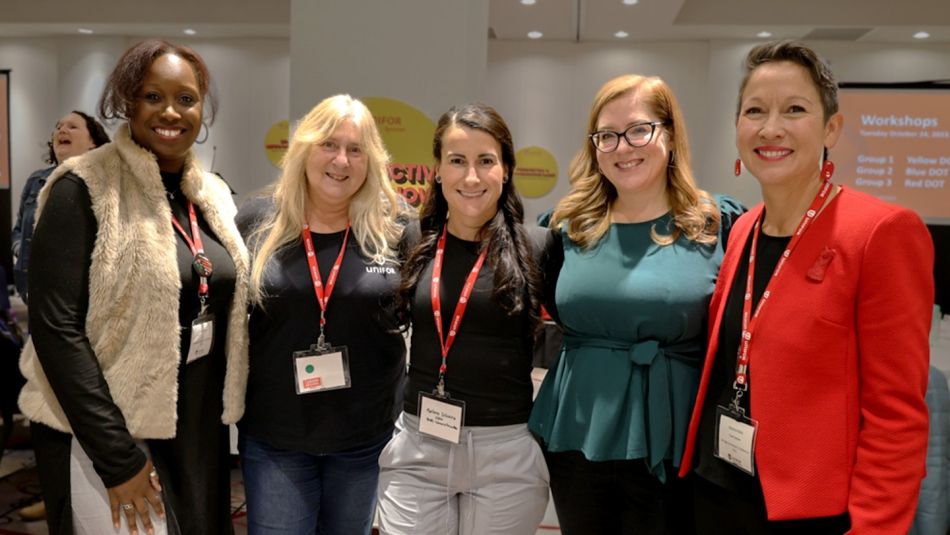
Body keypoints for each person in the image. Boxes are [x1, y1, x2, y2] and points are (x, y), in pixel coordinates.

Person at [678, 40, 934, 534]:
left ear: (831, 128)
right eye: (755, 110)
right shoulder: (743, 230)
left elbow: (896, 415)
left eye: (794, 109)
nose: (770, 127)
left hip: (808, 513)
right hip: (715, 494)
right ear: (737, 129)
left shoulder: (880, 232)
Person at [17, 39, 249, 535]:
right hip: (106, 435)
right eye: (152, 96)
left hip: (196, 432)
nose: (171, 111)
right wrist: (117, 458)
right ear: (126, 101)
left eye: (186, 99)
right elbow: (56, 328)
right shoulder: (82, 186)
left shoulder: (212, 195)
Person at [527, 74, 745, 534]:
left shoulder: (715, 223)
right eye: (607, 136)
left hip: (673, 431)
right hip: (576, 427)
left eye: (638, 130)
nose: (623, 148)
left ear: (669, 133)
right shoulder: (568, 226)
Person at [235, 94, 416, 534]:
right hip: (276, 436)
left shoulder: (397, 230)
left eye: (356, 149)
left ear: (371, 160)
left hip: (364, 438)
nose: (341, 160)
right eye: (329, 145)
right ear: (304, 149)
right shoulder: (256, 221)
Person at [377, 102, 557, 535]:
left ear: (506, 170)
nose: (471, 177)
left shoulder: (540, 247)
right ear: (437, 170)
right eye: (457, 161)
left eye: (486, 161)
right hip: (419, 446)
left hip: (506, 450)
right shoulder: (413, 241)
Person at [11, 111, 110, 303]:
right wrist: (22, 250)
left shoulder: (103, 183)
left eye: (72, 127)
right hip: (35, 291)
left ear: (93, 143)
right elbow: (18, 230)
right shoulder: (35, 181)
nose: (62, 130)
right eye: (58, 127)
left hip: (80, 297)